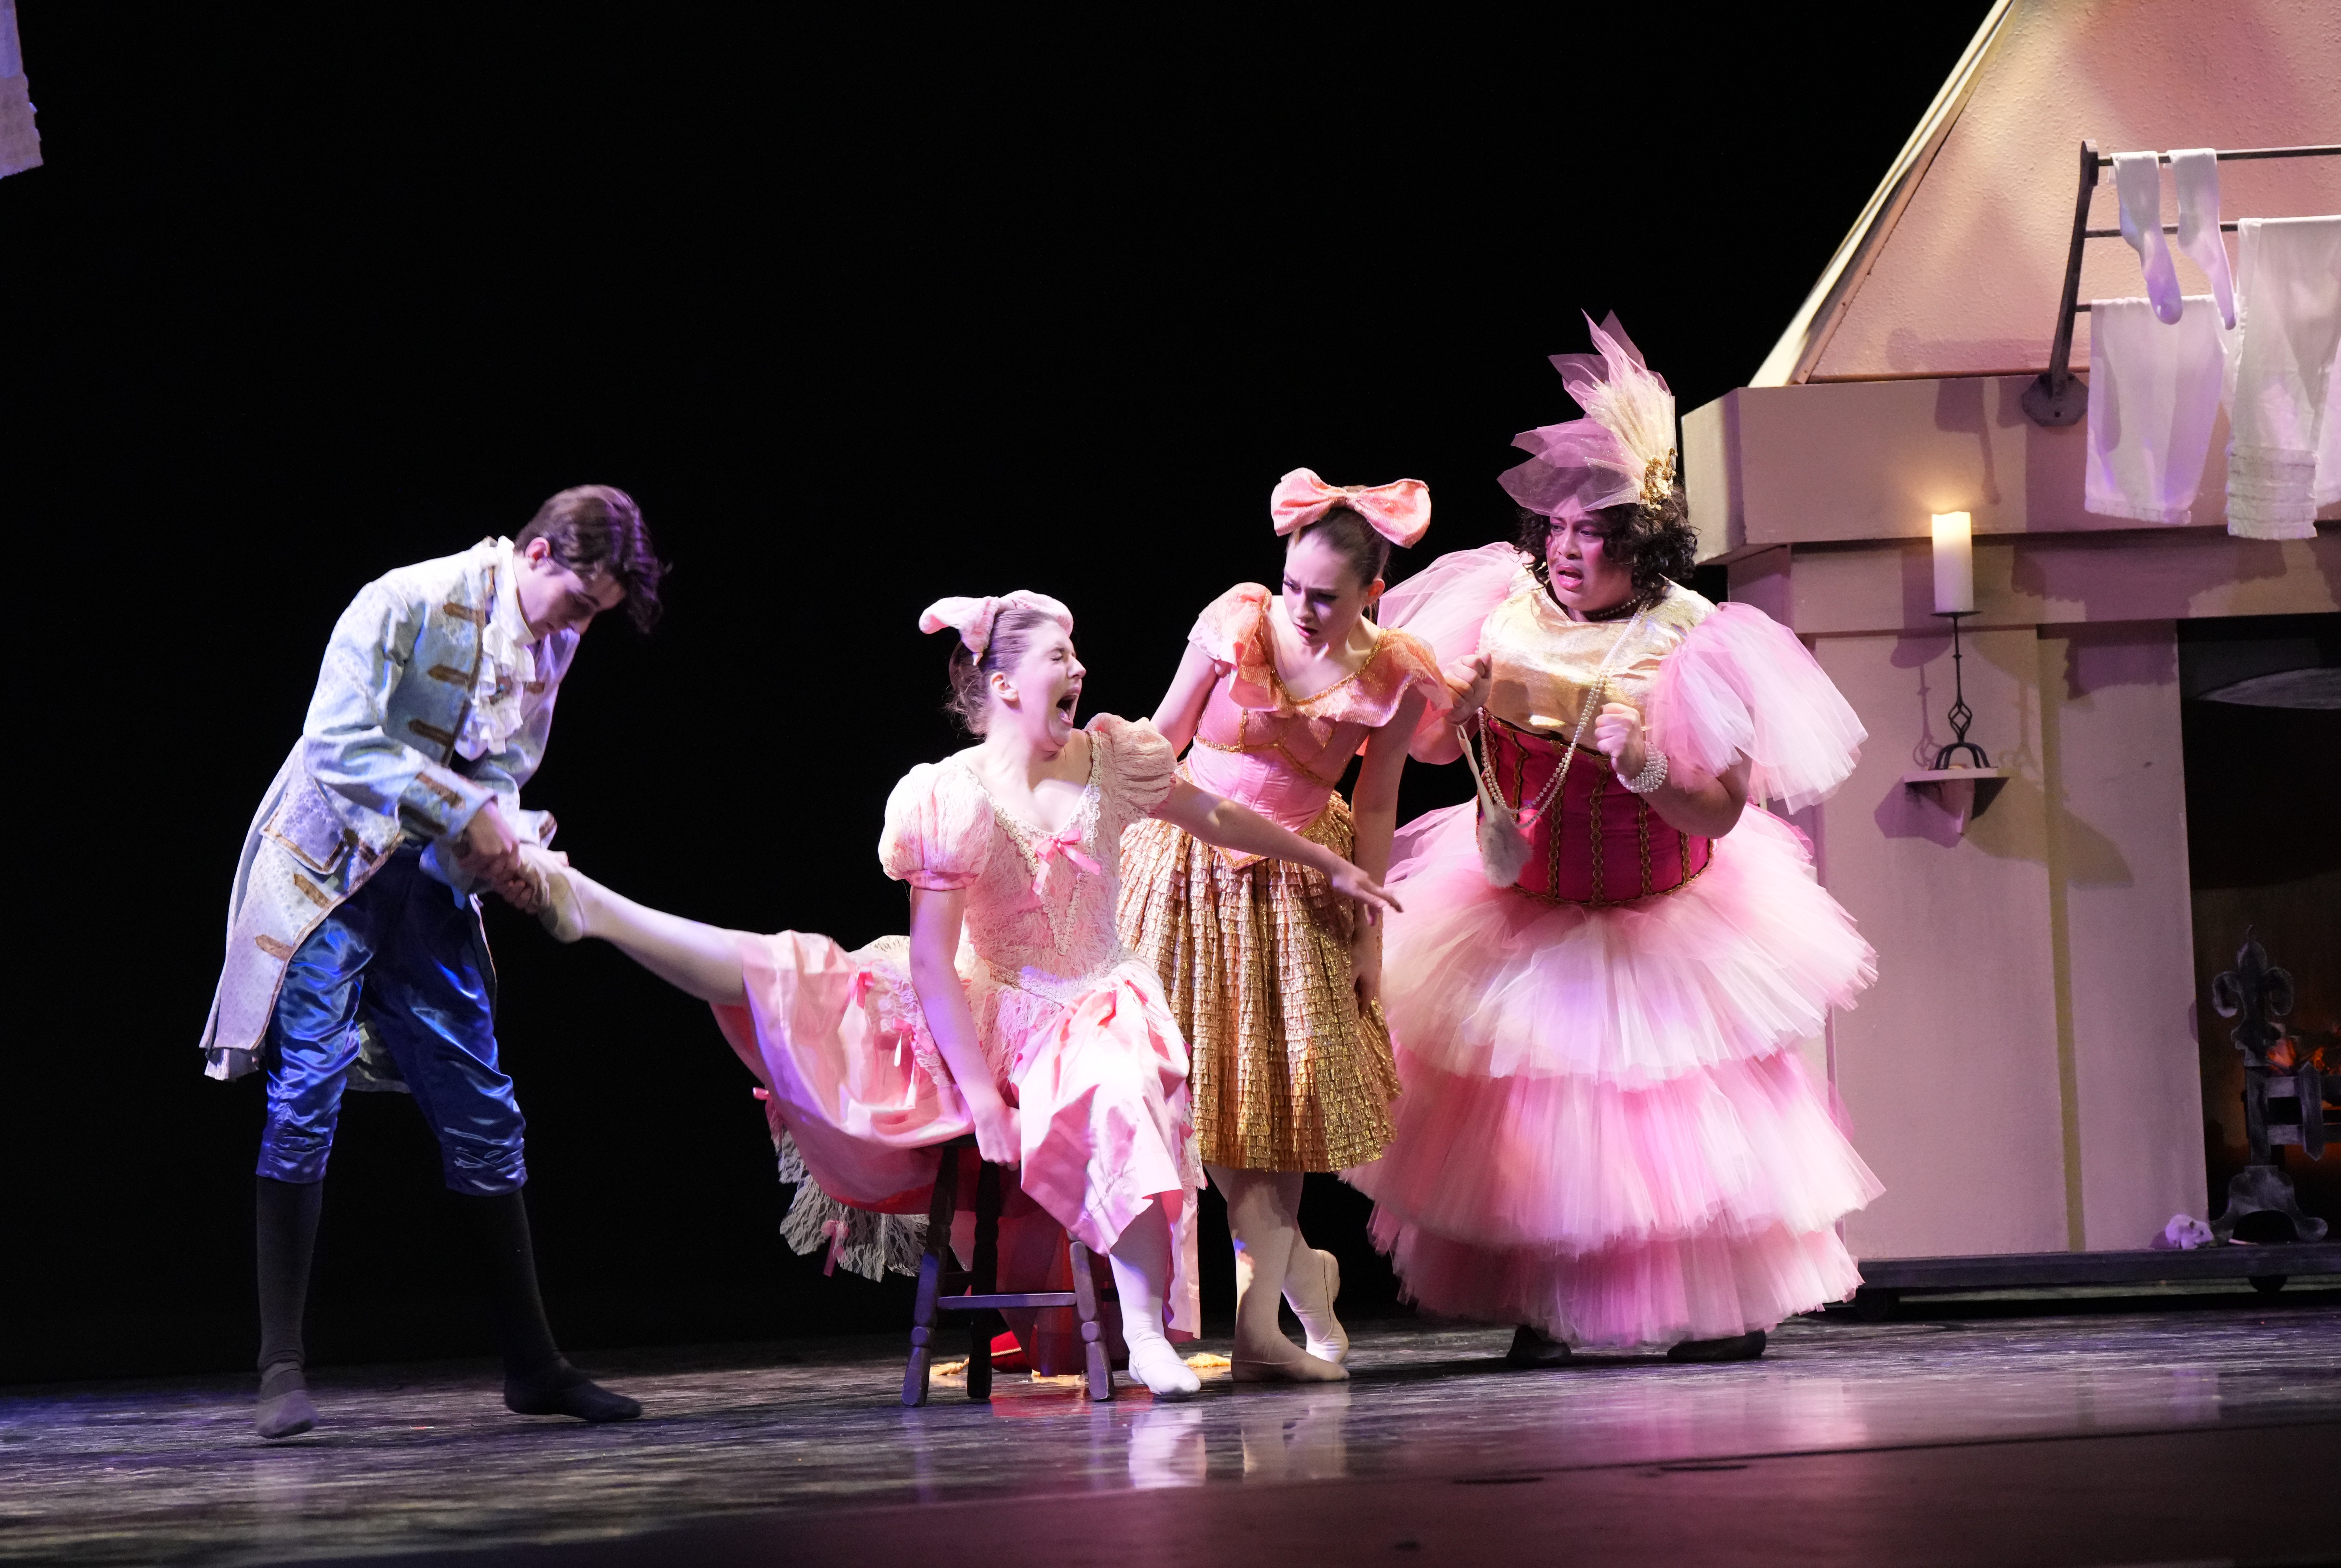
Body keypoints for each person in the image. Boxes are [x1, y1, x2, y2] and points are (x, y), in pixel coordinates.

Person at [529, 591, 1400, 1398]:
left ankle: (1144, 1334)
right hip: (992, 1004)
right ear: (1005, 685)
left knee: (1123, 1087)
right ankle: (598, 910)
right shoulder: (951, 795)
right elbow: (934, 963)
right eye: (1059, 657)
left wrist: (1324, 861)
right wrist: (981, 1096)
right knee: (795, 972)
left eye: (1075, 654)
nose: (1079, 669)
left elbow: (1213, 815)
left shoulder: (1110, 762)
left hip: (1097, 999)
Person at [1351, 316, 1883, 1364]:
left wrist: (1641, 763)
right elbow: (1429, 747)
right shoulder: (1497, 610)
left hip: (1659, 905)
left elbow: (1720, 811)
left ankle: (1720, 1307)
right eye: (1554, 529)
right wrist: (1457, 709)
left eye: (1589, 533)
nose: (1563, 549)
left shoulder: (1691, 637)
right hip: (1524, 897)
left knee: (1678, 1116)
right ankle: (1549, 1308)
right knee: (1541, 1115)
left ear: (1639, 543)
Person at [200, 485, 665, 1438]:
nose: (579, 628)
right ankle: (281, 1367)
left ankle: (534, 1365)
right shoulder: (404, 601)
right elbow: (335, 743)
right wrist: (466, 812)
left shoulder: (551, 640)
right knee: (305, 1093)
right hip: (329, 870)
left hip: (423, 883)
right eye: (579, 603)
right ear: (539, 555)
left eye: (596, 616)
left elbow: (505, 767)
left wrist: (508, 846)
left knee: (482, 1102)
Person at [1117, 471, 1452, 1381]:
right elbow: (1164, 735)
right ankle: (1299, 1281)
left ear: (1371, 592)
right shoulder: (1238, 621)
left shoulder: (1394, 671)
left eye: (1326, 597)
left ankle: (1260, 1326)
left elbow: (1375, 804)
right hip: (1185, 866)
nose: (1301, 609)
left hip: (1300, 881)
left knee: (1271, 1103)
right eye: (1293, 585)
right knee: (1194, 1097)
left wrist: (1369, 936)